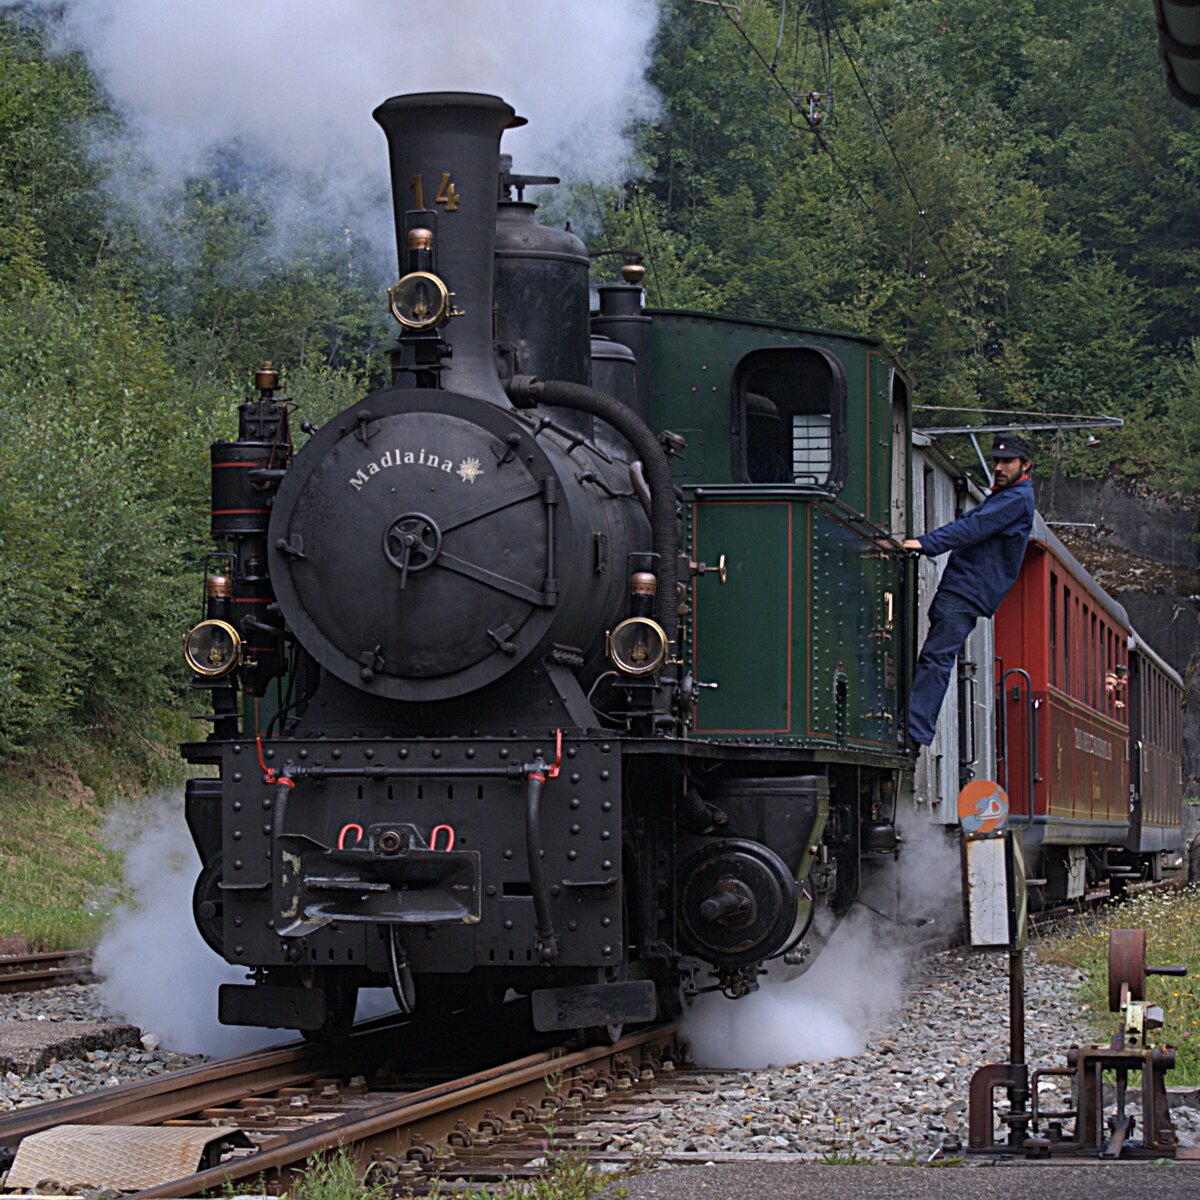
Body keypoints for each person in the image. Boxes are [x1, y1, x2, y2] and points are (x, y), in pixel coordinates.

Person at [901, 433, 1035, 750]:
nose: (999, 467)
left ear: (1025, 465)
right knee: (934, 657)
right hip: (963, 587)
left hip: (968, 590)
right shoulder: (1005, 495)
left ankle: (914, 732)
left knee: (936, 658)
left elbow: (972, 528)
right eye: (997, 461)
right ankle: (911, 725)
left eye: (1007, 462)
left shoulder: (1016, 499)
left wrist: (925, 543)